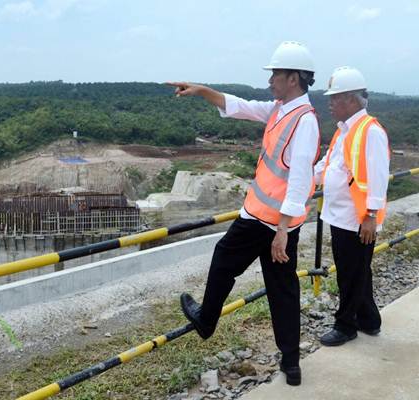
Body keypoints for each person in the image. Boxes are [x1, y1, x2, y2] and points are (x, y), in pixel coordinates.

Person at [166, 41, 320, 386]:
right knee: (282, 288)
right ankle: (291, 364)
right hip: (272, 219)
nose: (271, 81)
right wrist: (204, 91)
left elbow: (299, 178)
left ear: (294, 78)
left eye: (276, 74)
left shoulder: (303, 121)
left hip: (268, 221)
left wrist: (281, 230)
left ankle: (206, 320)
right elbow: (242, 106)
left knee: (224, 260)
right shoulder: (283, 108)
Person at [315, 66, 390, 346]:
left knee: (350, 273)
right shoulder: (345, 131)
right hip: (340, 215)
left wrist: (370, 216)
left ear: (349, 98)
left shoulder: (370, 131)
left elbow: (378, 176)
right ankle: (369, 320)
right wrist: (301, 181)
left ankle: (345, 325)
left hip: (357, 218)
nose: (330, 104)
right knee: (358, 270)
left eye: (334, 98)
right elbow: (330, 165)